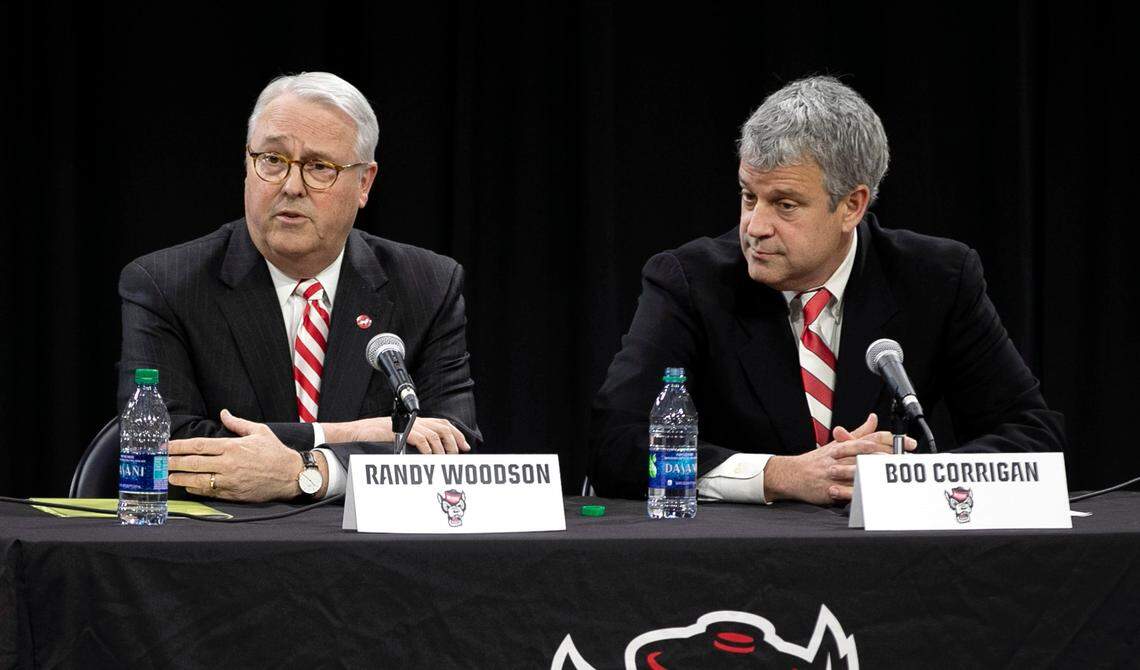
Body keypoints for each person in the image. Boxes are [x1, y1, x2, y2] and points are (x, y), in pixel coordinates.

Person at [589, 76, 1065, 505]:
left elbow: (1034, 435)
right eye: (748, 196)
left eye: (785, 204)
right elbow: (615, 443)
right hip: (737, 562)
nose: (755, 226)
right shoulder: (690, 282)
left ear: (852, 206)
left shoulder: (936, 278)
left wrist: (905, 475)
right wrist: (776, 474)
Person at [118, 72, 479, 503]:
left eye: (319, 167)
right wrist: (354, 434)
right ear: (247, 165)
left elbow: (454, 449)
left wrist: (310, 472)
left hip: (372, 559)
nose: (290, 186)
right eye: (272, 160)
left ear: (364, 182)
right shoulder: (167, 284)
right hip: (223, 552)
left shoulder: (427, 284)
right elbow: (163, 446)